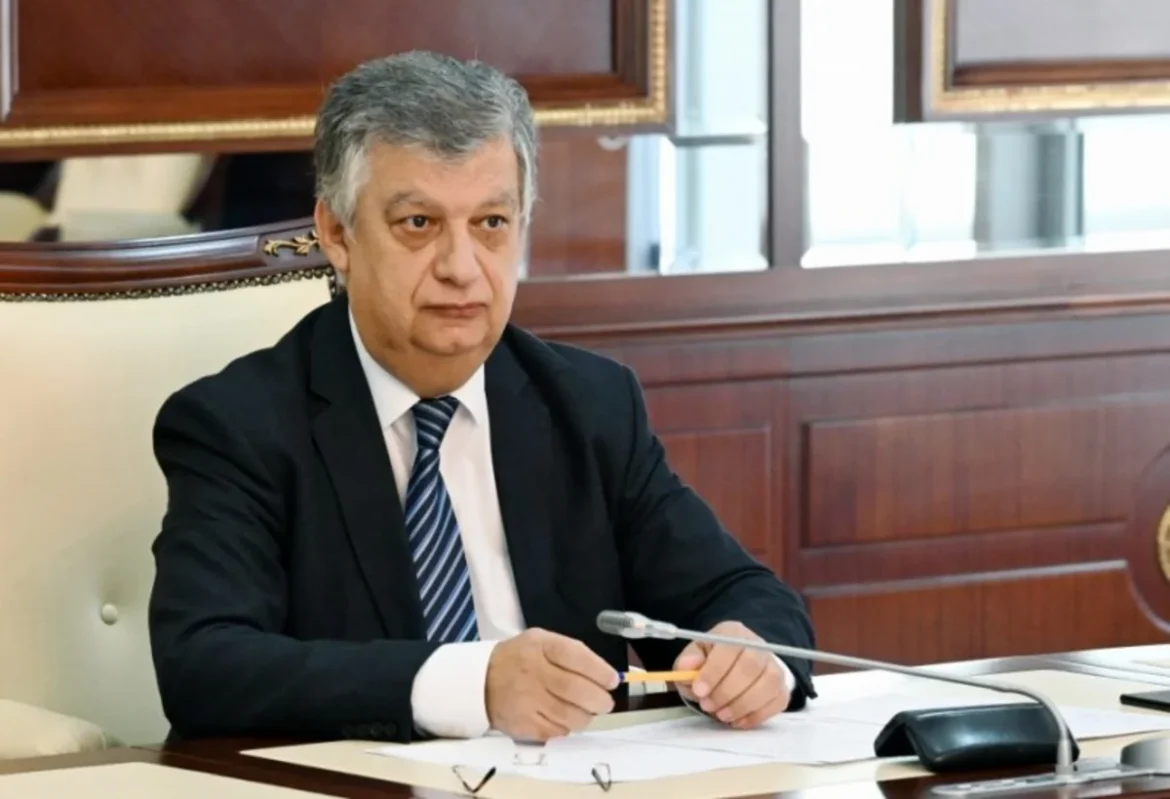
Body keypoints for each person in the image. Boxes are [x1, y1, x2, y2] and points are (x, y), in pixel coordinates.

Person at [147, 50, 817, 745]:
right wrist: (473, 684)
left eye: (491, 223)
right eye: (419, 224)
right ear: (338, 234)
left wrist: (753, 655)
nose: (461, 268)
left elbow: (745, 595)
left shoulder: (588, 404)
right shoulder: (238, 426)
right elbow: (205, 666)